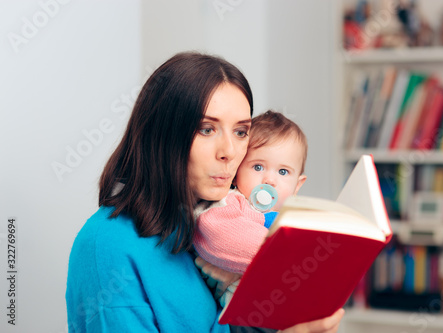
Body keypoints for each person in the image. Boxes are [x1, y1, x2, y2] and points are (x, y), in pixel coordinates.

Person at [65, 51, 344, 333]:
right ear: (163, 134)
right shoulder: (108, 244)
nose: (230, 152)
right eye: (207, 129)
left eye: (240, 132)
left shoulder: (216, 218)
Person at [193, 110, 308, 275]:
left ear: (297, 185)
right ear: (236, 172)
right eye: (258, 167)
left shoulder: (293, 218)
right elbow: (222, 234)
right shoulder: (231, 201)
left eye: (283, 172)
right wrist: (295, 255)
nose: (269, 180)